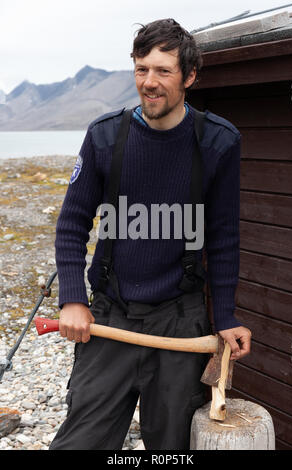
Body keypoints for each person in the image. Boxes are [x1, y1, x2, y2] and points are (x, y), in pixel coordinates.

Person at [49, 18, 251, 450]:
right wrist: (72, 300)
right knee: (80, 443)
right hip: (110, 314)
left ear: (190, 77)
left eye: (163, 71)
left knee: (173, 447)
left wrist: (228, 317)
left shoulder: (218, 142)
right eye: (142, 69)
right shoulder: (104, 136)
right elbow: (71, 225)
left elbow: (223, 237)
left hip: (180, 320)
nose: (149, 82)